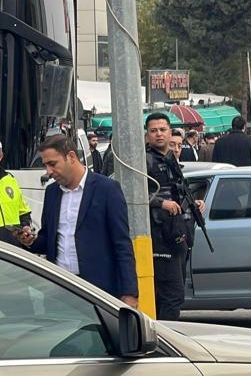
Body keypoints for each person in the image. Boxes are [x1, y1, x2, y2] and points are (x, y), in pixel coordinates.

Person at [16, 135, 138, 306]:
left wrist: (129, 293)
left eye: (53, 164)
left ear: (71, 157)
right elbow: (49, 239)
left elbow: (122, 244)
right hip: (59, 289)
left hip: (97, 291)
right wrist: (29, 241)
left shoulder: (107, 189)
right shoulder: (52, 192)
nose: (48, 171)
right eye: (45, 165)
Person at [145, 113, 205, 320]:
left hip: (178, 234)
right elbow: (132, 194)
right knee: (172, 295)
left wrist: (194, 203)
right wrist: (161, 203)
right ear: (147, 134)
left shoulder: (171, 159)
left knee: (170, 296)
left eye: (162, 130)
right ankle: (163, 336)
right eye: (153, 130)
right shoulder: (145, 160)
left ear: (170, 132)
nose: (158, 134)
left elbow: (178, 191)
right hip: (159, 236)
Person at [0, 141, 33, 248]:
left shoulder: (10, 180)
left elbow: (23, 211)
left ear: (1, 156)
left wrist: (25, 226)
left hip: (13, 248)